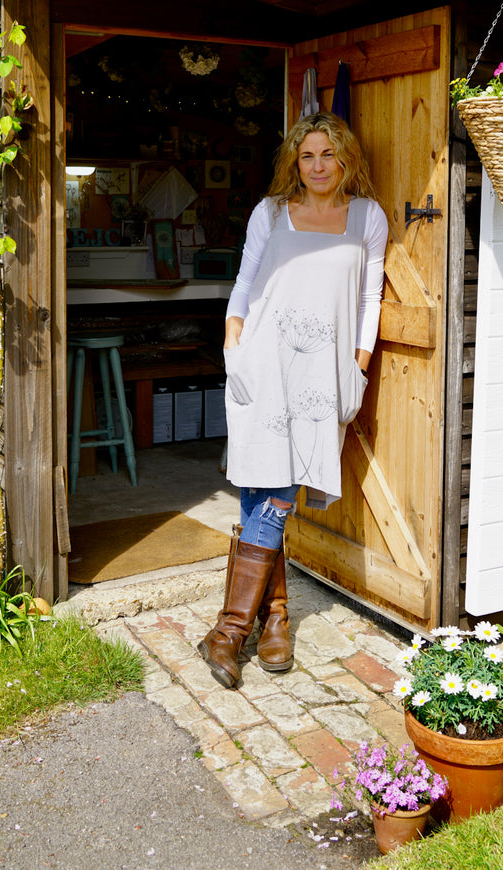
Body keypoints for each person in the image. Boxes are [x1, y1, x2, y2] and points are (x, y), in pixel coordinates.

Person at [198, 111, 388, 689]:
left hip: (321, 376)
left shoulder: (367, 218)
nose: (318, 166)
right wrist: (234, 335)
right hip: (262, 359)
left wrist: (357, 364)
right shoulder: (270, 212)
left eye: (328, 154)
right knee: (266, 484)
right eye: (307, 156)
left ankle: (232, 629)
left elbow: (369, 297)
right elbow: (247, 278)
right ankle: (268, 622)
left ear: (346, 158)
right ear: (294, 162)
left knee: (275, 491)